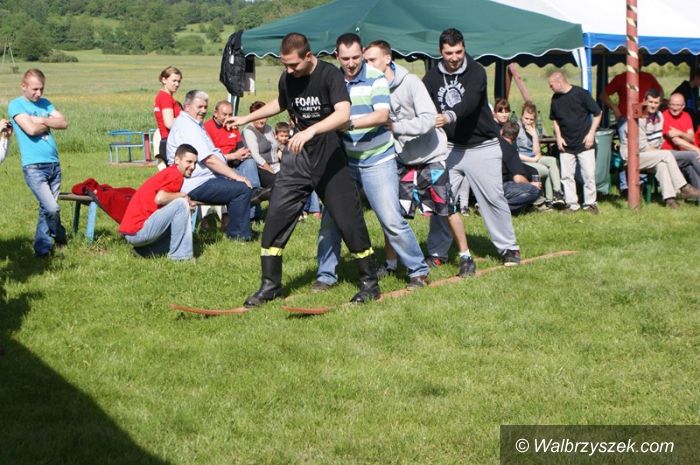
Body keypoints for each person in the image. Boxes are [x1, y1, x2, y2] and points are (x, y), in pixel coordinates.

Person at [229, 32, 379, 307]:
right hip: (298, 158)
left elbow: (343, 114)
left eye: (294, 64)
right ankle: (270, 285)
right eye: (285, 65)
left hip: (329, 154)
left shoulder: (329, 75)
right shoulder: (288, 78)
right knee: (276, 215)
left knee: (348, 220)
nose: (289, 70)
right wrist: (247, 118)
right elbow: (280, 102)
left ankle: (369, 283)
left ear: (308, 56)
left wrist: (311, 131)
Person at [313, 33, 429, 291]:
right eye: (345, 58)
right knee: (331, 220)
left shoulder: (376, 78)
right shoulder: (332, 79)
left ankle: (418, 270)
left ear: (362, 53)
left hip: (378, 160)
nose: (351, 63)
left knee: (391, 219)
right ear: (337, 56)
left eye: (356, 57)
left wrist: (348, 123)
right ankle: (325, 275)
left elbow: (381, 115)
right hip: (343, 162)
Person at [363, 39, 476, 277]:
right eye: (366, 61)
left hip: (431, 156)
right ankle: (391, 263)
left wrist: (396, 127)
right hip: (401, 159)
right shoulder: (371, 86)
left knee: (447, 208)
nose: (367, 65)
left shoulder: (411, 83)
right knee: (392, 213)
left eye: (372, 60)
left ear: (387, 58)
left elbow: (429, 119)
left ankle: (466, 257)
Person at [422, 28, 521, 266]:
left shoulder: (476, 71)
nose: (454, 57)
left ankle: (509, 248)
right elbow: (422, 103)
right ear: (440, 51)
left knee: (493, 198)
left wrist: (448, 116)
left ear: (464, 48)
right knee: (441, 201)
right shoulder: (432, 77)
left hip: (482, 146)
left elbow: (470, 103)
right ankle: (437, 253)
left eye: (458, 52)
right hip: (449, 148)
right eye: (449, 53)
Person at [165, 89, 253, 241]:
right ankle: (239, 236)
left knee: (242, 183)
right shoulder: (188, 127)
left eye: (205, 107)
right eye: (199, 107)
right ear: (187, 107)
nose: (203, 110)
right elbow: (209, 159)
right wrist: (235, 176)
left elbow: (212, 154)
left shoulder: (194, 124)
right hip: (194, 182)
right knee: (241, 189)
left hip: (204, 178)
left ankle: (237, 227)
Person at [9, 69, 68, 258]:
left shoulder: (45, 103)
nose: (39, 93)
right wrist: (50, 122)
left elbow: (63, 123)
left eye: (41, 89)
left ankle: (43, 250)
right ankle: (59, 235)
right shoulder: (16, 105)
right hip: (34, 166)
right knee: (51, 208)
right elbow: (31, 130)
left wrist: (41, 119)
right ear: (23, 86)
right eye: (35, 89)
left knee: (46, 209)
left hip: (54, 164)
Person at [618, 89, 700, 208]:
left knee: (662, 164)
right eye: (650, 102)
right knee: (666, 155)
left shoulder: (659, 116)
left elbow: (659, 140)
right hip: (633, 156)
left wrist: (658, 150)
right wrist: (659, 151)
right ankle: (684, 187)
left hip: (650, 156)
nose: (653, 105)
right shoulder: (638, 114)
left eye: (656, 103)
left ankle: (670, 200)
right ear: (644, 101)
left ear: (660, 103)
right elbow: (642, 147)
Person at [119, 144, 198, 259]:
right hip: (138, 231)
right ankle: (181, 257)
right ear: (177, 160)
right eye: (189, 162)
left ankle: (145, 251)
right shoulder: (175, 175)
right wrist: (183, 196)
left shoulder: (170, 172)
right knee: (181, 204)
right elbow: (160, 198)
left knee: (182, 208)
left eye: (195, 163)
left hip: (132, 233)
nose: (193, 166)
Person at [548, 71, 602, 214]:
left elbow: (598, 113)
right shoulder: (555, 99)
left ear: (559, 82)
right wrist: (558, 137)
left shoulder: (581, 94)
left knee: (588, 175)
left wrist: (591, 134)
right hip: (566, 144)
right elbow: (555, 119)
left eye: (551, 85)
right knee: (566, 176)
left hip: (585, 143)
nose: (550, 88)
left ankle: (590, 204)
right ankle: (572, 205)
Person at [516, 101, 565, 208]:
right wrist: (533, 160)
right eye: (526, 118)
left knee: (553, 160)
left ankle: (557, 193)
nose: (528, 121)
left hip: (533, 157)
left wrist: (534, 135)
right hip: (523, 160)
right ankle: (549, 199)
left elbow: (537, 152)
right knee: (545, 169)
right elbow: (514, 153)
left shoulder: (534, 128)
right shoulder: (516, 128)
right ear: (521, 116)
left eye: (531, 119)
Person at [601, 58, 663, 128]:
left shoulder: (648, 77)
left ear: (642, 62)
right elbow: (603, 95)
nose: (638, 63)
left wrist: (655, 105)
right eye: (635, 60)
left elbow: (660, 91)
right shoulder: (620, 78)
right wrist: (615, 108)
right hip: (625, 118)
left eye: (639, 60)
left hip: (646, 118)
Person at [660, 93, 700, 191]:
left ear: (683, 106)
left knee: (691, 165)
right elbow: (676, 140)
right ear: (668, 105)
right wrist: (696, 149)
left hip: (684, 153)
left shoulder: (686, 116)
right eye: (672, 105)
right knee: (694, 155)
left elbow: (691, 138)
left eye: (678, 105)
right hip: (668, 153)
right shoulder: (664, 116)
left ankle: (698, 195)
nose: (675, 108)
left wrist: (680, 133)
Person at [501, 121, 543, 214]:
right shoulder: (510, 150)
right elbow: (518, 179)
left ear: (501, 131)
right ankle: (498, 209)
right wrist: (531, 184)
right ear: (515, 137)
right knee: (534, 191)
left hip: (482, 185)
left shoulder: (492, 145)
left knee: (531, 170)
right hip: (500, 186)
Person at [242, 101, 278, 188]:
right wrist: (270, 169)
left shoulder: (268, 128)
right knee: (279, 182)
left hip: (276, 164)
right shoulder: (249, 131)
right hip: (261, 168)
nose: (262, 121)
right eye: (258, 117)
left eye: (264, 117)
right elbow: (255, 155)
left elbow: (275, 147)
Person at [154, 66, 183, 164]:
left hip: (167, 141)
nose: (177, 84)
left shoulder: (161, 96)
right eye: (174, 81)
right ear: (164, 80)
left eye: (179, 81)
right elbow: (169, 123)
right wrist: (187, 120)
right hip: (171, 143)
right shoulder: (165, 98)